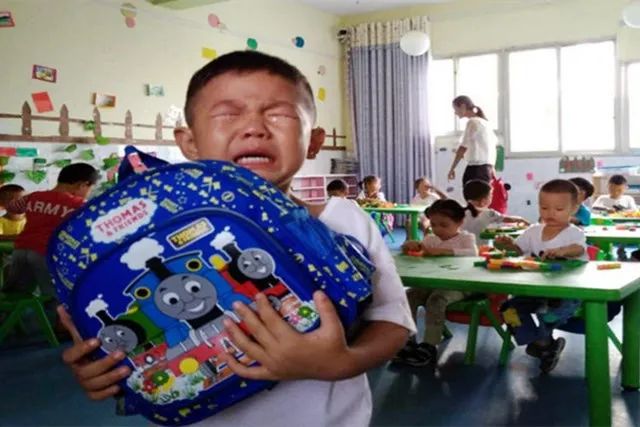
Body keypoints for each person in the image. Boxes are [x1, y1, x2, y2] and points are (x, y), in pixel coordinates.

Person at [58, 50, 415, 427]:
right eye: (227, 114)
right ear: (189, 142)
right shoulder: (147, 241)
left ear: (313, 141)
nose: (254, 128)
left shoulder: (344, 218)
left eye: (279, 114)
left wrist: (343, 363)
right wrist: (107, 372)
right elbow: (122, 357)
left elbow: (392, 319)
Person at [495, 179, 586, 373]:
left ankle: (542, 345)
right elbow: (518, 250)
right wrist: (509, 244)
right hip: (535, 292)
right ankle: (542, 344)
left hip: (566, 294)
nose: (550, 213)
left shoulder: (574, 233)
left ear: (574, 209)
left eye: (558, 209)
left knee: (548, 314)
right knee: (508, 310)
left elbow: (578, 249)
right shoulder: (533, 231)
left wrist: (562, 250)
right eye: (544, 208)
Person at [394, 199, 478, 367]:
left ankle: (429, 346)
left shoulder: (466, 238)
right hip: (432, 283)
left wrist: (442, 251)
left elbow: (472, 253)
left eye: (444, 225)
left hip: (459, 286)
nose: (437, 229)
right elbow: (418, 250)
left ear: (460, 222)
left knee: (436, 300)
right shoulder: (431, 239)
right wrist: (409, 246)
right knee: (408, 296)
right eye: (433, 225)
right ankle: (407, 339)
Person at [3, 163, 98, 298]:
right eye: (90, 188)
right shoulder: (80, 206)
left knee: (15, 294)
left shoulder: (34, 196)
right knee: (52, 297)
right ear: (82, 185)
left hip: (21, 250)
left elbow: (12, 208)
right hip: (48, 254)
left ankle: (11, 311)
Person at [447, 95, 497, 186]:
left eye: (455, 109)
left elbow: (462, 148)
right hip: (487, 169)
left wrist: (452, 169)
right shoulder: (485, 123)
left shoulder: (472, 122)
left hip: (476, 170)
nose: (455, 113)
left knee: (471, 194)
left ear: (463, 106)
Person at [462, 179, 529, 244]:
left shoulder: (459, 211)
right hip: (480, 249)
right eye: (491, 195)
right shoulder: (488, 213)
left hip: (460, 248)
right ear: (483, 200)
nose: (492, 197)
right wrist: (521, 219)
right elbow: (508, 219)